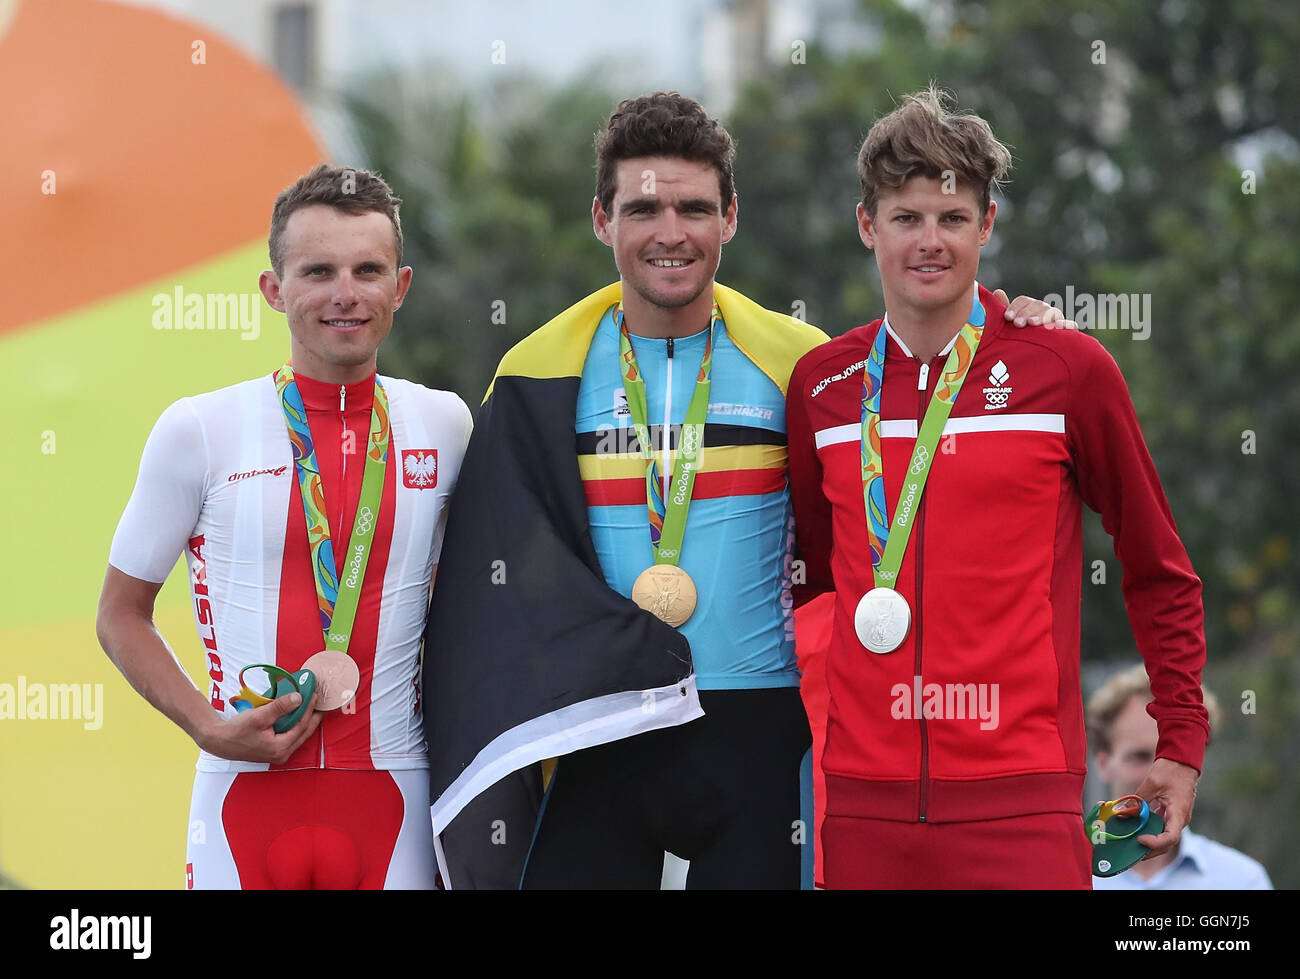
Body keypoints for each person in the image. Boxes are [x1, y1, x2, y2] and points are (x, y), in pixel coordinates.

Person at [422, 91, 1067, 890]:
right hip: (603, 727)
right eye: (644, 207)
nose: (670, 232)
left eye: (694, 207)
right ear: (601, 219)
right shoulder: (536, 375)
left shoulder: (805, 363)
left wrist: (1016, 322)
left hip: (761, 729)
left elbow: (917, 427)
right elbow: (494, 578)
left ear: (730, 217)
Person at [786, 86, 1209, 889]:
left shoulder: (1066, 370)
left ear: (986, 226)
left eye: (952, 218)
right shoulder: (823, 386)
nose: (930, 241)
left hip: (1023, 812)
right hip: (859, 816)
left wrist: (1180, 745)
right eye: (906, 217)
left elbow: (1158, 566)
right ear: (867, 226)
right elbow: (807, 580)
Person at [96, 164, 472, 889]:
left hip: (393, 797)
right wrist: (207, 724)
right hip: (241, 801)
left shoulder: (445, 423)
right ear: (274, 289)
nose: (345, 293)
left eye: (369, 269)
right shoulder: (201, 429)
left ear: (401, 286)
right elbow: (119, 615)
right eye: (318, 270)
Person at [1087, 665, 1272, 889]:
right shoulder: (1062, 876)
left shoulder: (1243, 881)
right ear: (1103, 763)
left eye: (1176, 760)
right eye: (1139, 756)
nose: (1158, 775)